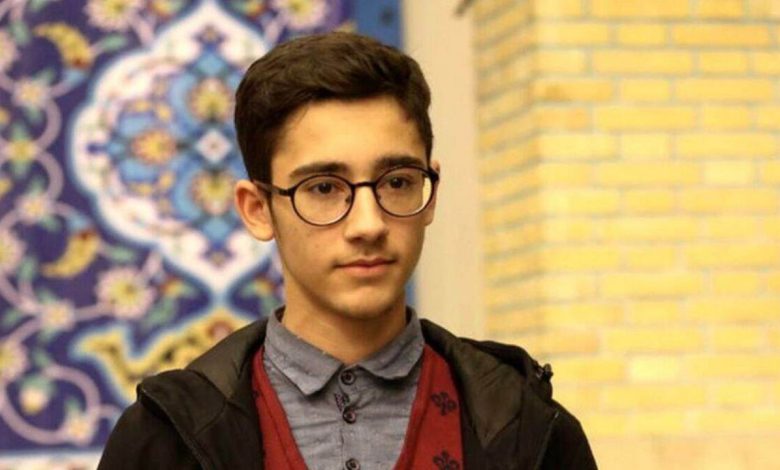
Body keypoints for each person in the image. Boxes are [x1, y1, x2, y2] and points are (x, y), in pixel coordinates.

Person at [98, 32, 596, 469]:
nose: (368, 224)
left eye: (397, 182)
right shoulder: (164, 439)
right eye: (323, 188)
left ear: (431, 194)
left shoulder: (529, 427)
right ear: (258, 209)